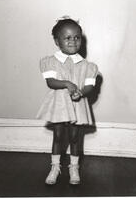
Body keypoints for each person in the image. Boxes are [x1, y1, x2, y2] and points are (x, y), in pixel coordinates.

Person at [37, 16, 98, 185]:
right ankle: (55, 167)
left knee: (74, 138)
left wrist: (80, 92)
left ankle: (74, 167)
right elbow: (51, 82)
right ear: (57, 41)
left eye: (77, 37)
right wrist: (66, 83)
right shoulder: (50, 62)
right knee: (58, 136)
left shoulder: (88, 66)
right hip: (59, 105)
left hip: (77, 105)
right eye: (67, 38)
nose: (73, 41)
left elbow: (89, 86)